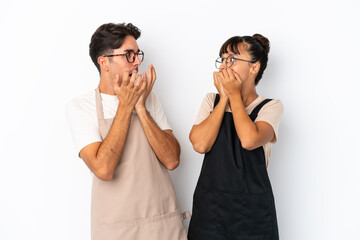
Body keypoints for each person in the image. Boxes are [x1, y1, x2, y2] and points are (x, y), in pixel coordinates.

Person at [66, 23, 189, 240]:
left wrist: (140, 107)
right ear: (104, 61)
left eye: (137, 54)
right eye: (128, 55)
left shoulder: (149, 98)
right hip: (117, 230)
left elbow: (172, 160)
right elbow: (104, 169)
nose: (138, 61)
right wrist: (126, 106)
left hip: (162, 223)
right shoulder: (80, 107)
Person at [187, 34, 283, 240]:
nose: (223, 66)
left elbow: (249, 140)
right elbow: (200, 144)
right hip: (210, 210)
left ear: (254, 67)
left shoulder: (271, 106)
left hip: (252, 213)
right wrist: (224, 100)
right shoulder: (211, 100)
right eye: (222, 59)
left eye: (231, 59)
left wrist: (234, 96)